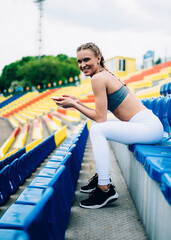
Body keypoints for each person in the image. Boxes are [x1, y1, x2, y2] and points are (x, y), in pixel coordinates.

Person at [52, 42, 164, 209]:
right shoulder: (102, 74)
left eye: (86, 60)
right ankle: (101, 176)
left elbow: (100, 118)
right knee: (98, 128)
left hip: (149, 128)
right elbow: (101, 115)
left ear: (98, 58)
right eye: (79, 61)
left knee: (98, 128)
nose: (82, 65)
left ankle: (105, 188)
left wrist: (75, 104)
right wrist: (76, 101)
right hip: (148, 125)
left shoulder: (98, 78)